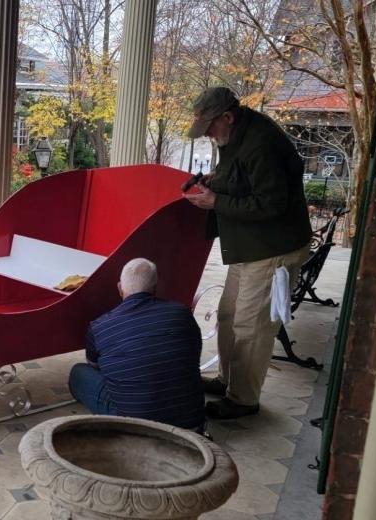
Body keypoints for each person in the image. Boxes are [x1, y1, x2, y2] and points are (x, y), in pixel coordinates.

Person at [183, 86, 312, 420]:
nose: (209, 136)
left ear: (227, 116)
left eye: (210, 128)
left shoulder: (262, 143)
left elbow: (272, 203)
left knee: (251, 326)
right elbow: (245, 179)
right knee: (228, 315)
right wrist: (218, 179)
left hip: (272, 247)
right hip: (248, 244)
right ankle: (229, 380)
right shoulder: (237, 134)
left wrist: (216, 202)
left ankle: (243, 399)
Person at [68, 258, 206, 431]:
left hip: (137, 428)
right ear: (155, 287)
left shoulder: (99, 327)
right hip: (192, 424)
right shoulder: (182, 313)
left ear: (120, 288)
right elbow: (194, 353)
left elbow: (95, 366)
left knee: (79, 373)